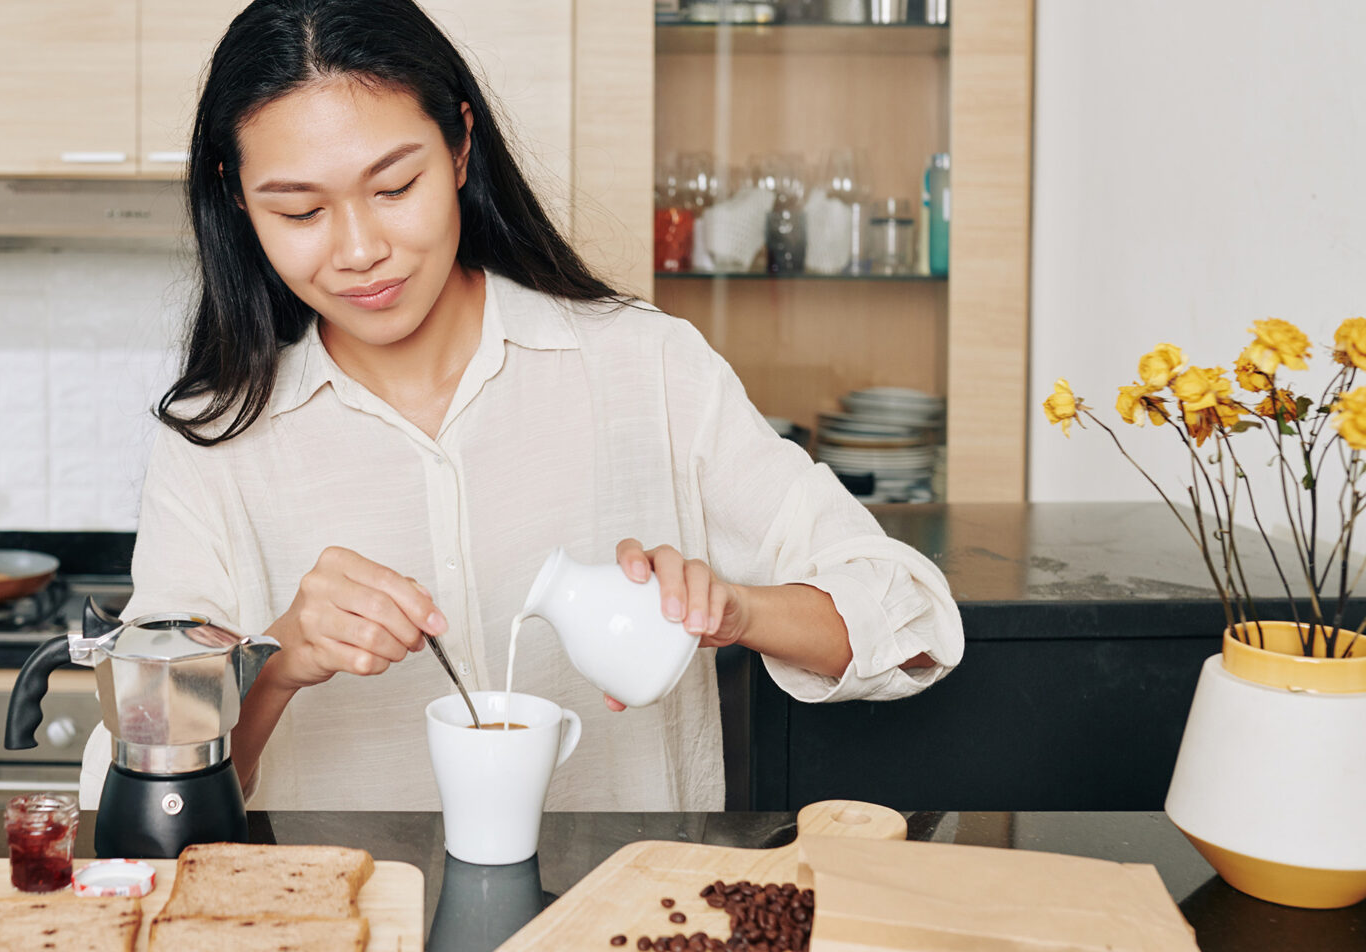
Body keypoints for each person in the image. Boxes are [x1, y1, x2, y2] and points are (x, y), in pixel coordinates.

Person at [83, 0, 963, 811]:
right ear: (239, 201)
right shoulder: (215, 441)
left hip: (627, 949)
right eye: (302, 210)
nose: (360, 250)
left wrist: (737, 611)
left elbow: (913, 621)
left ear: (461, 147)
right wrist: (273, 660)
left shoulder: (643, 366)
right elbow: (123, 787)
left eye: (395, 188)